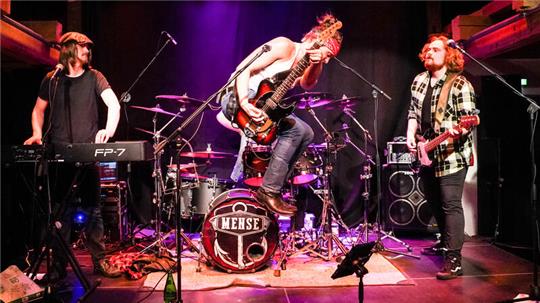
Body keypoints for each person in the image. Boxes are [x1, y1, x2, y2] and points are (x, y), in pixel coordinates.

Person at [218, 14, 342, 216]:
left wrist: (317, 62)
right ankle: (265, 190)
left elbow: (308, 84)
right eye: (326, 55)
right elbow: (243, 69)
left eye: (329, 58)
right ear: (313, 40)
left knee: (306, 133)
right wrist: (244, 102)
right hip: (237, 97)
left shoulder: (307, 64)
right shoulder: (285, 46)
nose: (327, 61)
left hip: (264, 107)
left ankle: (270, 190)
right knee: (297, 130)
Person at [24, 32, 122, 283]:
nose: (88, 49)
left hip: (86, 154)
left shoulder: (94, 77)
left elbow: (114, 105)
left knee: (93, 212)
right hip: (58, 155)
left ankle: (99, 262)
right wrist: (36, 133)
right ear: (68, 49)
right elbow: (38, 110)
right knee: (60, 214)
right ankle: (57, 269)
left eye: (89, 46)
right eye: (82, 46)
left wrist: (107, 132)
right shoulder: (52, 80)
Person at [406, 34, 476, 280]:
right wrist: (410, 135)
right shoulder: (419, 80)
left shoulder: (460, 84)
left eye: (435, 49)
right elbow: (413, 113)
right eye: (427, 49)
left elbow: (469, 119)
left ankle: (454, 260)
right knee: (434, 202)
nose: (429, 53)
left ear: (449, 55)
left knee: (450, 204)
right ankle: (445, 242)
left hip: (452, 155)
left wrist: (461, 129)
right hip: (426, 150)